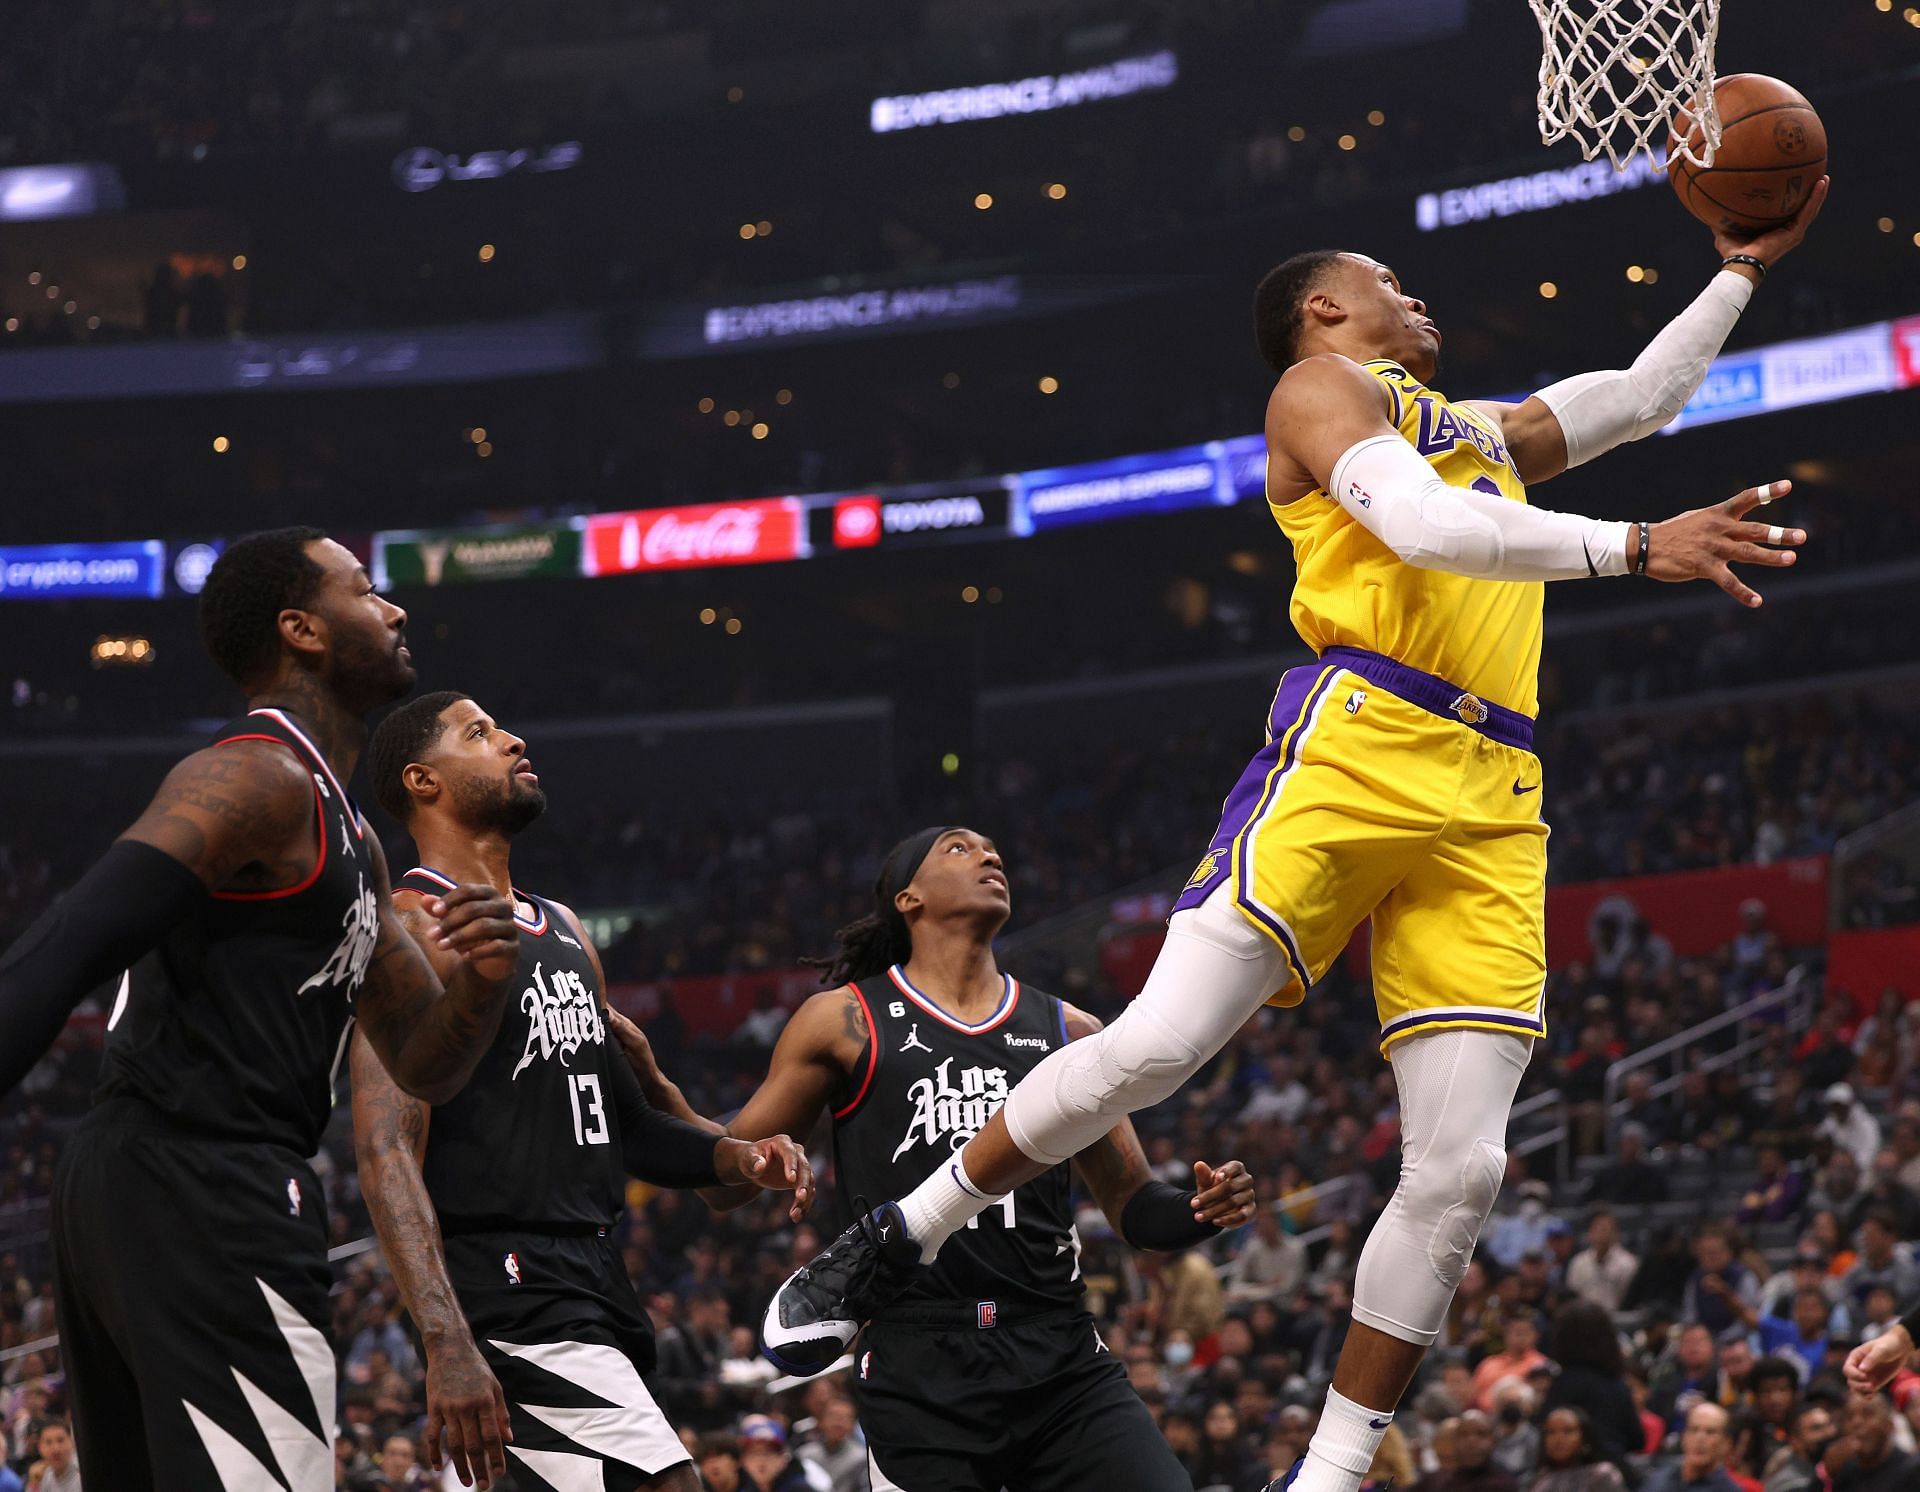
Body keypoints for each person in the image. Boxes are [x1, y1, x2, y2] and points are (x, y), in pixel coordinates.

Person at [764, 185, 1829, 1492]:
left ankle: (1325, 1477)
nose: (1416, 291)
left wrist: (1736, 267)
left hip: (1495, 791)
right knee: (1152, 1049)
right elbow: (1429, 530)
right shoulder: (1320, 391)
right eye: (1389, 276)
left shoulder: (1470, 425)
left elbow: (1639, 398)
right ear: (1327, 309)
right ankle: (897, 1232)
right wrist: (1635, 545)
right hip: (1363, 738)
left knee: (1464, 1171)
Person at [0, 528, 528, 1488]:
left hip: (161, 1181)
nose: (395, 608)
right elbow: (77, 932)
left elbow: (423, 1058)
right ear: (303, 630)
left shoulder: (351, 835)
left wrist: (482, 988)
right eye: (366, 592)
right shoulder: (258, 776)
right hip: (200, 1177)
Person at [640, 826, 1254, 1490]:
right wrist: (664, 1090)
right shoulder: (844, 1021)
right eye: (960, 849)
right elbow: (724, 1185)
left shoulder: (1069, 1029)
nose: (991, 855)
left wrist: (1198, 1209)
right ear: (909, 898)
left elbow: (1132, 1205)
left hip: (1056, 1351)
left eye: (994, 848)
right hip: (917, 1358)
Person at [353, 693, 811, 1490]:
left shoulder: (562, 929)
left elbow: (626, 1124)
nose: (514, 738)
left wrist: (741, 1157)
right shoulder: (412, 928)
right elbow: (386, 1146)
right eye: (480, 733)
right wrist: (444, 1339)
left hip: (597, 1274)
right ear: (422, 781)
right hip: (509, 1287)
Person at [1541, 1300, 1639, 1470]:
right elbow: (1637, 1439)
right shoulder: (1617, 1384)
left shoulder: (1563, 1384)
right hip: (1619, 1471)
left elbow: (1544, 1434)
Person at [1643, 1404, 1744, 1492]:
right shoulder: (1658, 1479)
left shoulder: (1729, 1490)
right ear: (1683, 1437)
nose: (1700, 1439)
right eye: (1694, 1430)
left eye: (1710, 1432)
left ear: (1726, 1443)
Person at [1823, 1394, 1915, 1491]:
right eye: (1849, 1416)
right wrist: (1826, 1474)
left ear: (1889, 1425)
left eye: (1868, 1413)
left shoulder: (1912, 1470)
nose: (1856, 1422)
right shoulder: (1845, 1472)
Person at [1413, 1410, 1519, 1492]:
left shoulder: (1503, 1483)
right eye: (1464, 1434)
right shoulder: (1439, 1480)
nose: (1471, 1441)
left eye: (1481, 1434)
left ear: (1494, 1441)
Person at [1526, 1409, 1625, 1492]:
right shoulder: (1540, 1479)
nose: (1558, 1439)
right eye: (1551, 1432)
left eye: (1568, 1431)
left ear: (1584, 1437)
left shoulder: (1601, 1475)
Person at [1565, 1211, 1638, 1316]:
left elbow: (1630, 1298)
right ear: (1590, 1233)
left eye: (1605, 1229)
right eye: (1597, 1229)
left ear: (1615, 1233)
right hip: (1584, 1318)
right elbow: (1572, 1294)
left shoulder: (1628, 1263)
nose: (1602, 1233)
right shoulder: (1579, 1262)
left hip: (1617, 1317)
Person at [1759, 1402, 1838, 1492]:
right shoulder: (1792, 1485)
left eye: (1830, 1424)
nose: (1828, 1433)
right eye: (1817, 1428)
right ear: (1795, 1440)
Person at [793, 1396, 865, 1492]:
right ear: (821, 1421)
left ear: (853, 1425)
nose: (839, 1423)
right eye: (834, 1416)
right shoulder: (803, 1454)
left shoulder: (862, 1458)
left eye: (845, 1418)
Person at [32, 1421, 79, 1492]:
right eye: (48, 1442)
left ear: (72, 1443)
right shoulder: (48, 1476)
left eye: (60, 1440)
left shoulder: (82, 1476)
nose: (55, 1449)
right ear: (40, 1447)